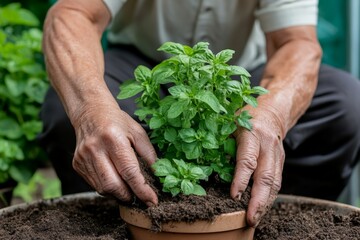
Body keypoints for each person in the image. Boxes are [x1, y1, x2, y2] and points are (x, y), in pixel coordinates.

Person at [39, 0, 360, 227]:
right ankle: (105, 222)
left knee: (345, 106)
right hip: (144, 69)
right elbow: (73, 13)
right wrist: (91, 110)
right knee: (67, 108)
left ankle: (277, 218)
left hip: (235, 77)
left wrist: (272, 114)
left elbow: (297, 43)